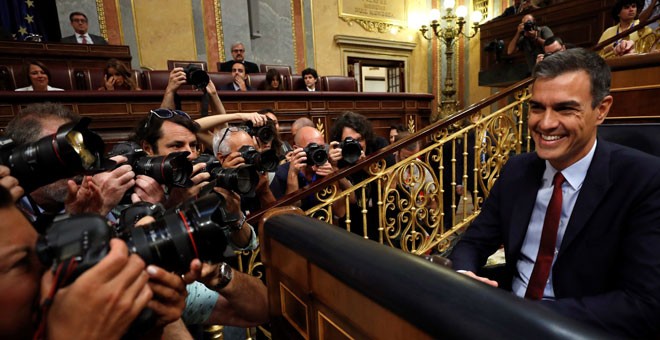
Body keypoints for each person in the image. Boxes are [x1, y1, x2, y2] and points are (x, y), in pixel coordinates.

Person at [448, 48, 660, 338]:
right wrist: (463, 278)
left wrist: (526, 314)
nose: (545, 123)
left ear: (602, 109)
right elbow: (473, 243)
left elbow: (644, 304)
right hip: (502, 321)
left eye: (565, 109)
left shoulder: (645, 179)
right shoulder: (517, 170)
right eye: (537, 108)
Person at [270, 126, 350, 217]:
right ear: (296, 149)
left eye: (321, 148)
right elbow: (290, 215)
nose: (317, 152)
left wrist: (332, 178)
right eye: (312, 148)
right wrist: (293, 174)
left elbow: (340, 212)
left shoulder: (326, 169)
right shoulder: (281, 173)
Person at [213, 126, 276, 215]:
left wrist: (264, 191)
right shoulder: (214, 187)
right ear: (222, 158)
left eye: (252, 151)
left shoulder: (260, 177)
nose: (250, 156)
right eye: (244, 152)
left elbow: (277, 218)